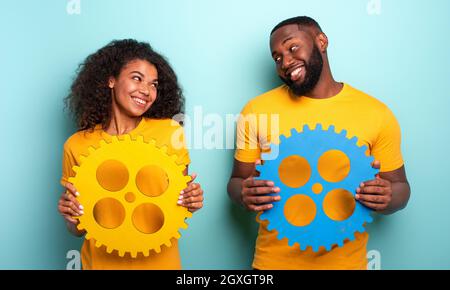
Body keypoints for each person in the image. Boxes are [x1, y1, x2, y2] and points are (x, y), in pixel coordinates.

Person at [227, 16, 410, 270]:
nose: (285, 62)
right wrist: (244, 193)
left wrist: (388, 197)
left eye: (292, 48)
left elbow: (400, 188)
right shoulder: (256, 111)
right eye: (277, 57)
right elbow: (236, 183)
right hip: (272, 264)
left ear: (321, 41)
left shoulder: (376, 113)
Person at [58, 39, 204, 269]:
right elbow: (77, 229)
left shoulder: (170, 132)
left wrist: (191, 200)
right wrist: (70, 214)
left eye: (154, 84)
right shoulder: (76, 145)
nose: (146, 91)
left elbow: (179, 207)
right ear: (111, 80)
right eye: (137, 78)